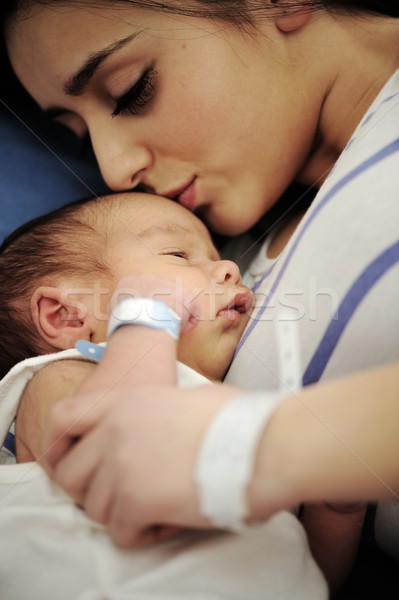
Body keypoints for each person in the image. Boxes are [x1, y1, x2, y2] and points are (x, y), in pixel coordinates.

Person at [1, 0, 399, 594]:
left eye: (132, 89)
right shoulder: (225, 241)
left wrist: (265, 450)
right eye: (77, 136)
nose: (112, 168)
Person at [0, 191, 330, 600]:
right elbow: (123, 448)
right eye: (178, 254)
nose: (229, 267)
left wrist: (334, 511)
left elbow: (292, 561)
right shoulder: (62, 377)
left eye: (214, 255)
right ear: (67, 315)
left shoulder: (216, 398)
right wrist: (145, 326)